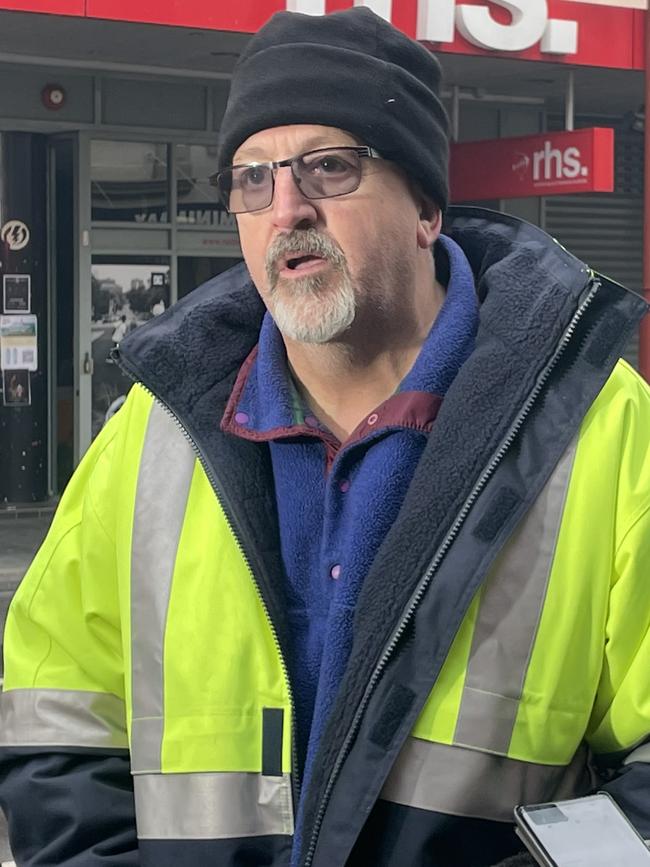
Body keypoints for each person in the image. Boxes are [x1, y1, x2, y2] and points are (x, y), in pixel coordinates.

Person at [0, 8, 649, 867]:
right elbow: (55, 725)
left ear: (424, 207)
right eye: (253, 178)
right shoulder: (154, 430)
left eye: (329, 167)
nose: (287, 208)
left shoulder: (599, 425)